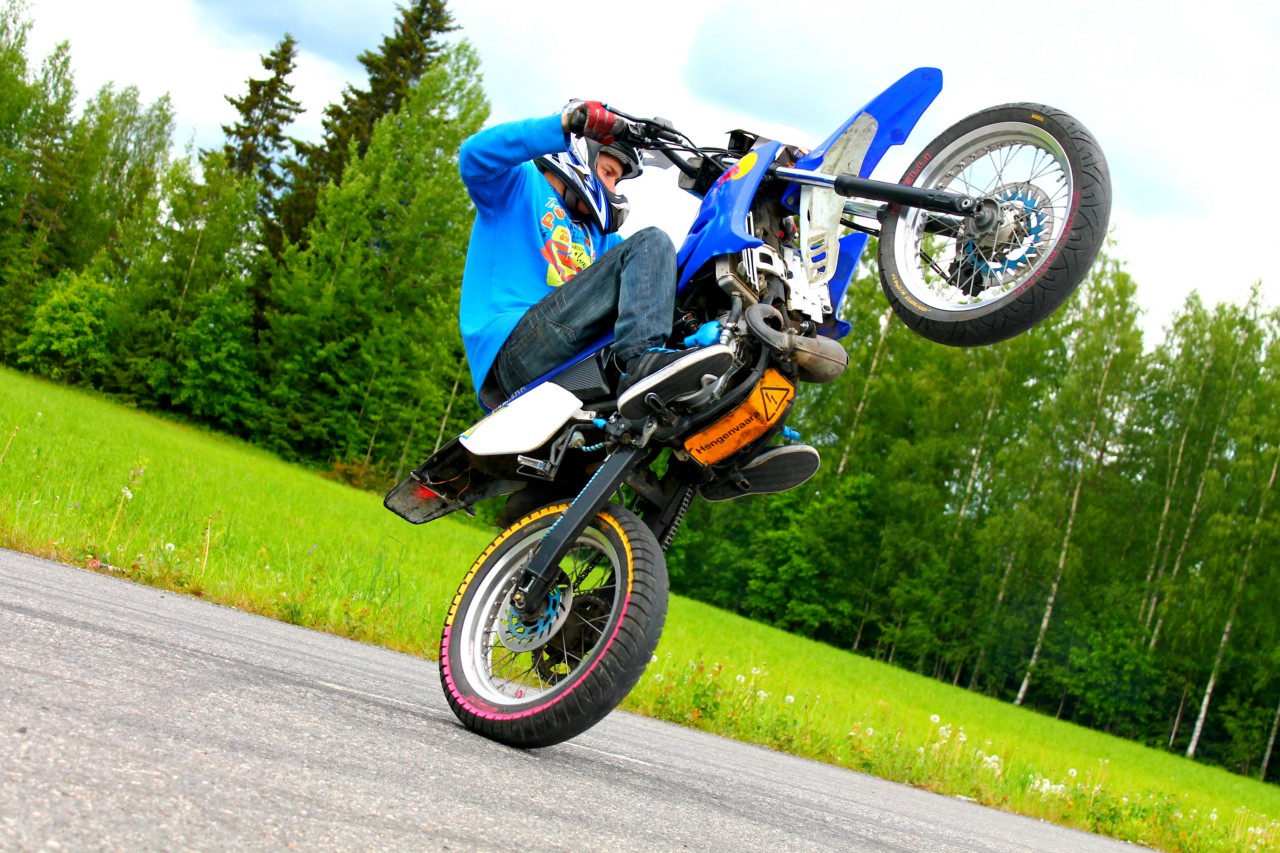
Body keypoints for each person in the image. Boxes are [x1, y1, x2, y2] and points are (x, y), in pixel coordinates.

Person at [456, 99, 731, 418]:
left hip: (572, 358)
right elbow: (473, 155)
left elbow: (653, 283)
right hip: (515, 350)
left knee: (672, 280)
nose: (613, 187)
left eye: (617, 180)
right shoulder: (517, 185)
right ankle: (643, 361)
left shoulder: (600, 238)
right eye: (609, 173)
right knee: (652, 241)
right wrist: (566, 123)